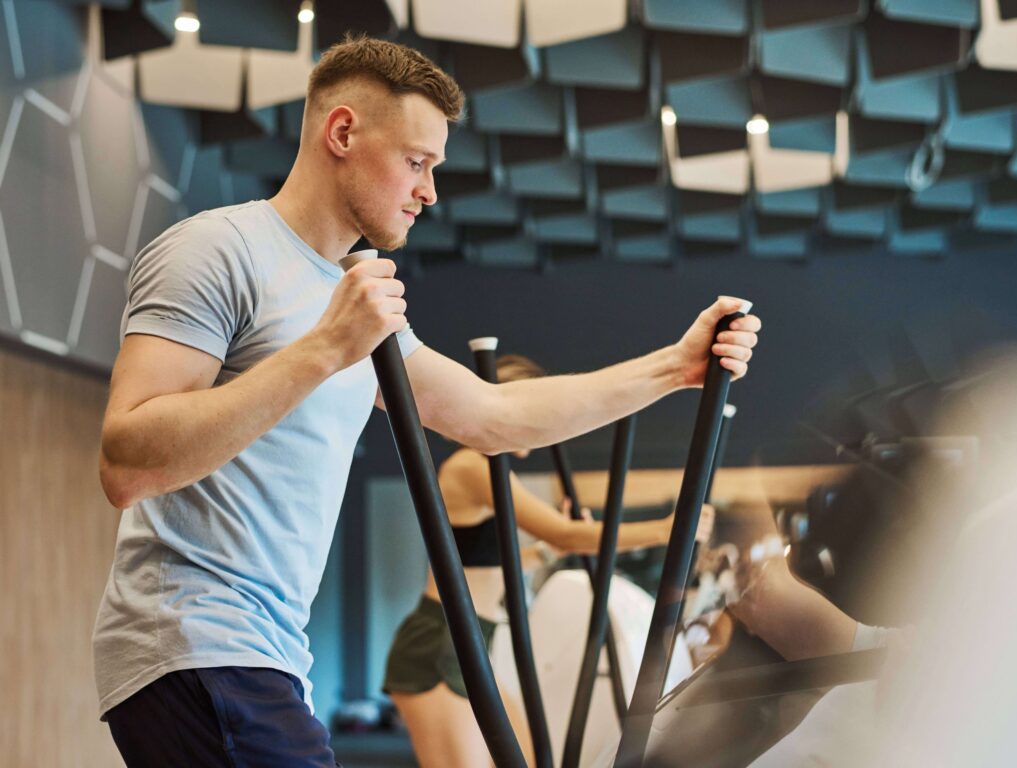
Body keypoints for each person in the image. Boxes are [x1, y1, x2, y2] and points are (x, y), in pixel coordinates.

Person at [92, 34, 761, 767]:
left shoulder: (352, 296)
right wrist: (323, 349)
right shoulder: (219, 250)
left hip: (267, 653)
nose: (429, 191)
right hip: (193, 641)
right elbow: (127, 462)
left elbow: (496, 418)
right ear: (342, 132)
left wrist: (674, 366)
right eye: (416, 162)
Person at [382, 354, 716, 768]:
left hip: (472, 638)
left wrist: (549, 552)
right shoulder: (474, 467)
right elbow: (566, 532)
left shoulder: (487, 470)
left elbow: (488, 563)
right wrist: (665, 530)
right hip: (439, 643)